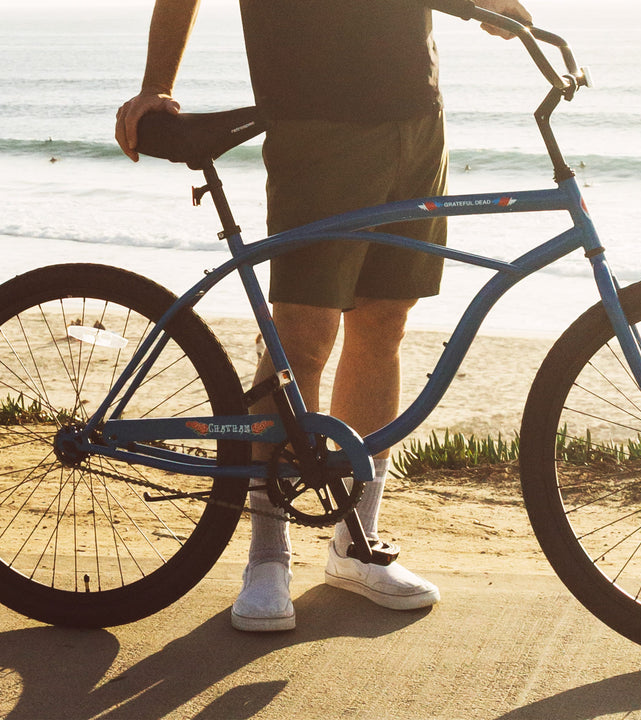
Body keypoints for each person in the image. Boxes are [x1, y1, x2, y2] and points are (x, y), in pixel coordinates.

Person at [116, 0, 532, 632]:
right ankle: (267, 559)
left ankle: (356, 543)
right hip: (315, 119)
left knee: (384, 322)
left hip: (416, 114)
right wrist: (158, 84)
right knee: (302, 337)